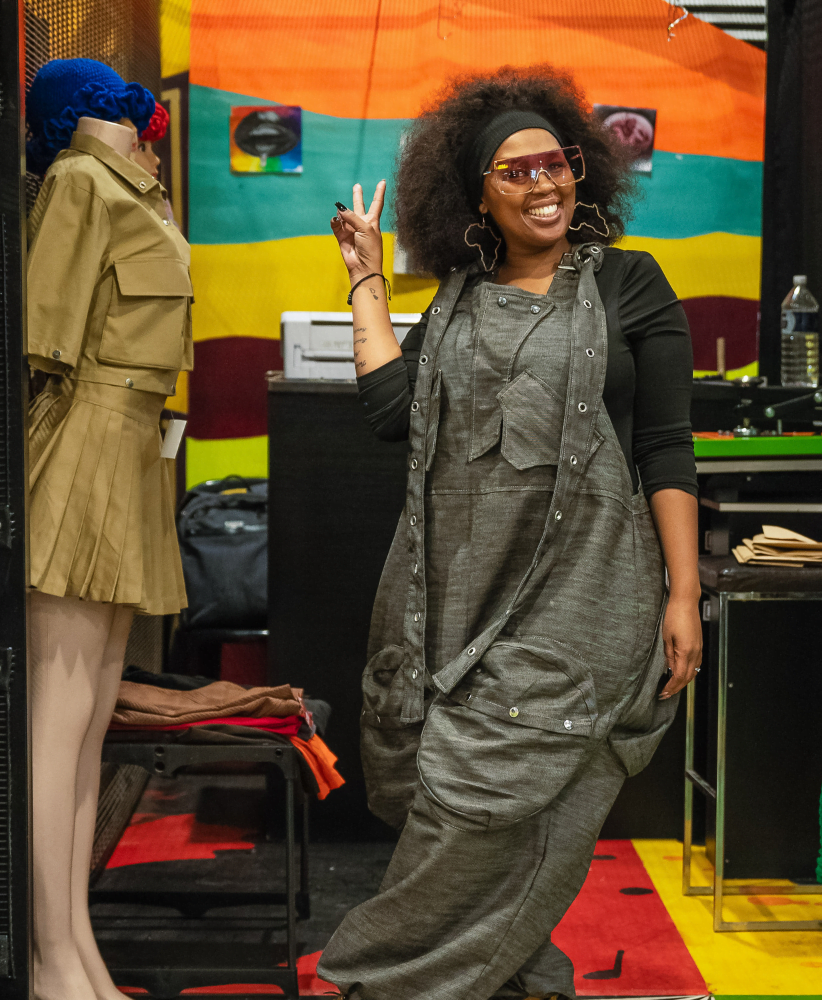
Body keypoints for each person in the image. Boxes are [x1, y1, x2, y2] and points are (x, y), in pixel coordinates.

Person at [318, 66, 702, 1000]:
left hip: (585, 603)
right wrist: (367, 278)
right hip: (458, 603)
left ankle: (376, 977)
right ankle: (523, 984)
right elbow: (390, 412)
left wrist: (686, 594)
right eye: (516, 171)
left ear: (584, 170)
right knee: (454, 814)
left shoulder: (629, 283)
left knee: (486, 816)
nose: (544, 184)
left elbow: (665, 447)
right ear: (475, 196)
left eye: (557, 163)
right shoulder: (456, 300)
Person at [22, 58, 188, 1000]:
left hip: (130, 447)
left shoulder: (135, 189)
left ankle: (77, 951)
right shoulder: (83, 182)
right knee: (60, 718)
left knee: (88, 727)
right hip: (87, 439)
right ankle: (53, 964)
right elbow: (41, 337)